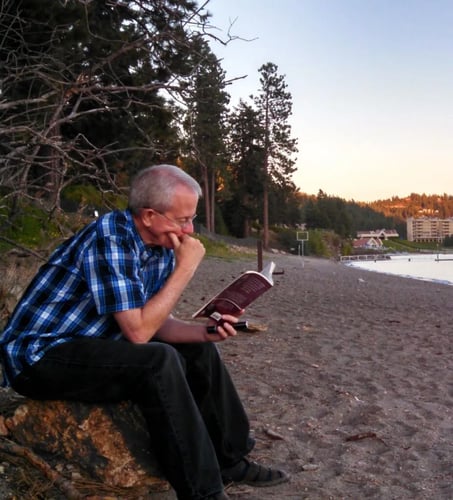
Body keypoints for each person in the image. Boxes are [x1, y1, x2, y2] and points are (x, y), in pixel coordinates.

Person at [0, 164, 289, 500]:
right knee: (157, 362)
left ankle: (230, 460)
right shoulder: (110, 237)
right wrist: (186, 268)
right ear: (149, 215)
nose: (189, 230)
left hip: (93, 345)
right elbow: (139, 333)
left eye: (192, 219)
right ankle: (204, 493)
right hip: (38, 357)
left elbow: (156, 322)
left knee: (198, 352)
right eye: (183, 220)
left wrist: (204, 334)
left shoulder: (160, 246)